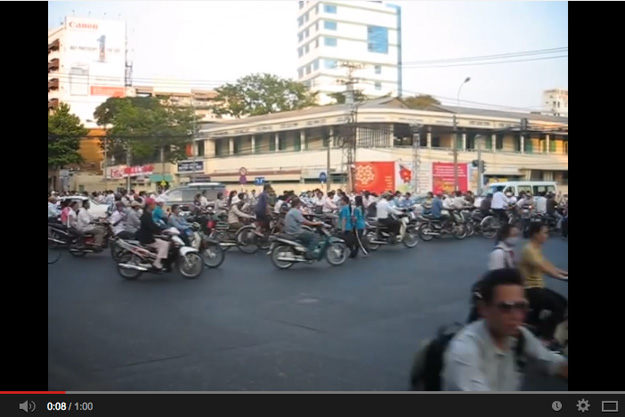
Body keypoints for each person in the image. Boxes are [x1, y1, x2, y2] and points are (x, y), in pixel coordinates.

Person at [443, 268, 568, 391]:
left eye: (521, 306)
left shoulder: (518, 335)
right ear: (483, 308)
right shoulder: (464, 352)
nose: (517, 316)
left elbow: (550, 361)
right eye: (505, 307)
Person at [517, 222, 568, 343]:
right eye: (545, 233)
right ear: (535, 234)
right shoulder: (528, 250)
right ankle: (546, 338)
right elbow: (544, 269)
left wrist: (565, 273)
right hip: (530, 289)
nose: (547, 236)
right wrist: (563, 278)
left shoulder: (535, 248)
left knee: (564, 303)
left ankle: (539, 329)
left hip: (538, 287)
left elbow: (549, 265)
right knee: (558, 307)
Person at [135, 198, 170, 270]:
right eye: (154, 204)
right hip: (147, 238)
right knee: (164, 244)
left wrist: (162, 230)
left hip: (148, 236)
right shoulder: (145, 216)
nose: (155, 205)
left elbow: (153, 225)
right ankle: (157, 262)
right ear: (149, 205)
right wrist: (161, 231)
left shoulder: (148, 214)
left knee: (163, 242)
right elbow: (151, 226)